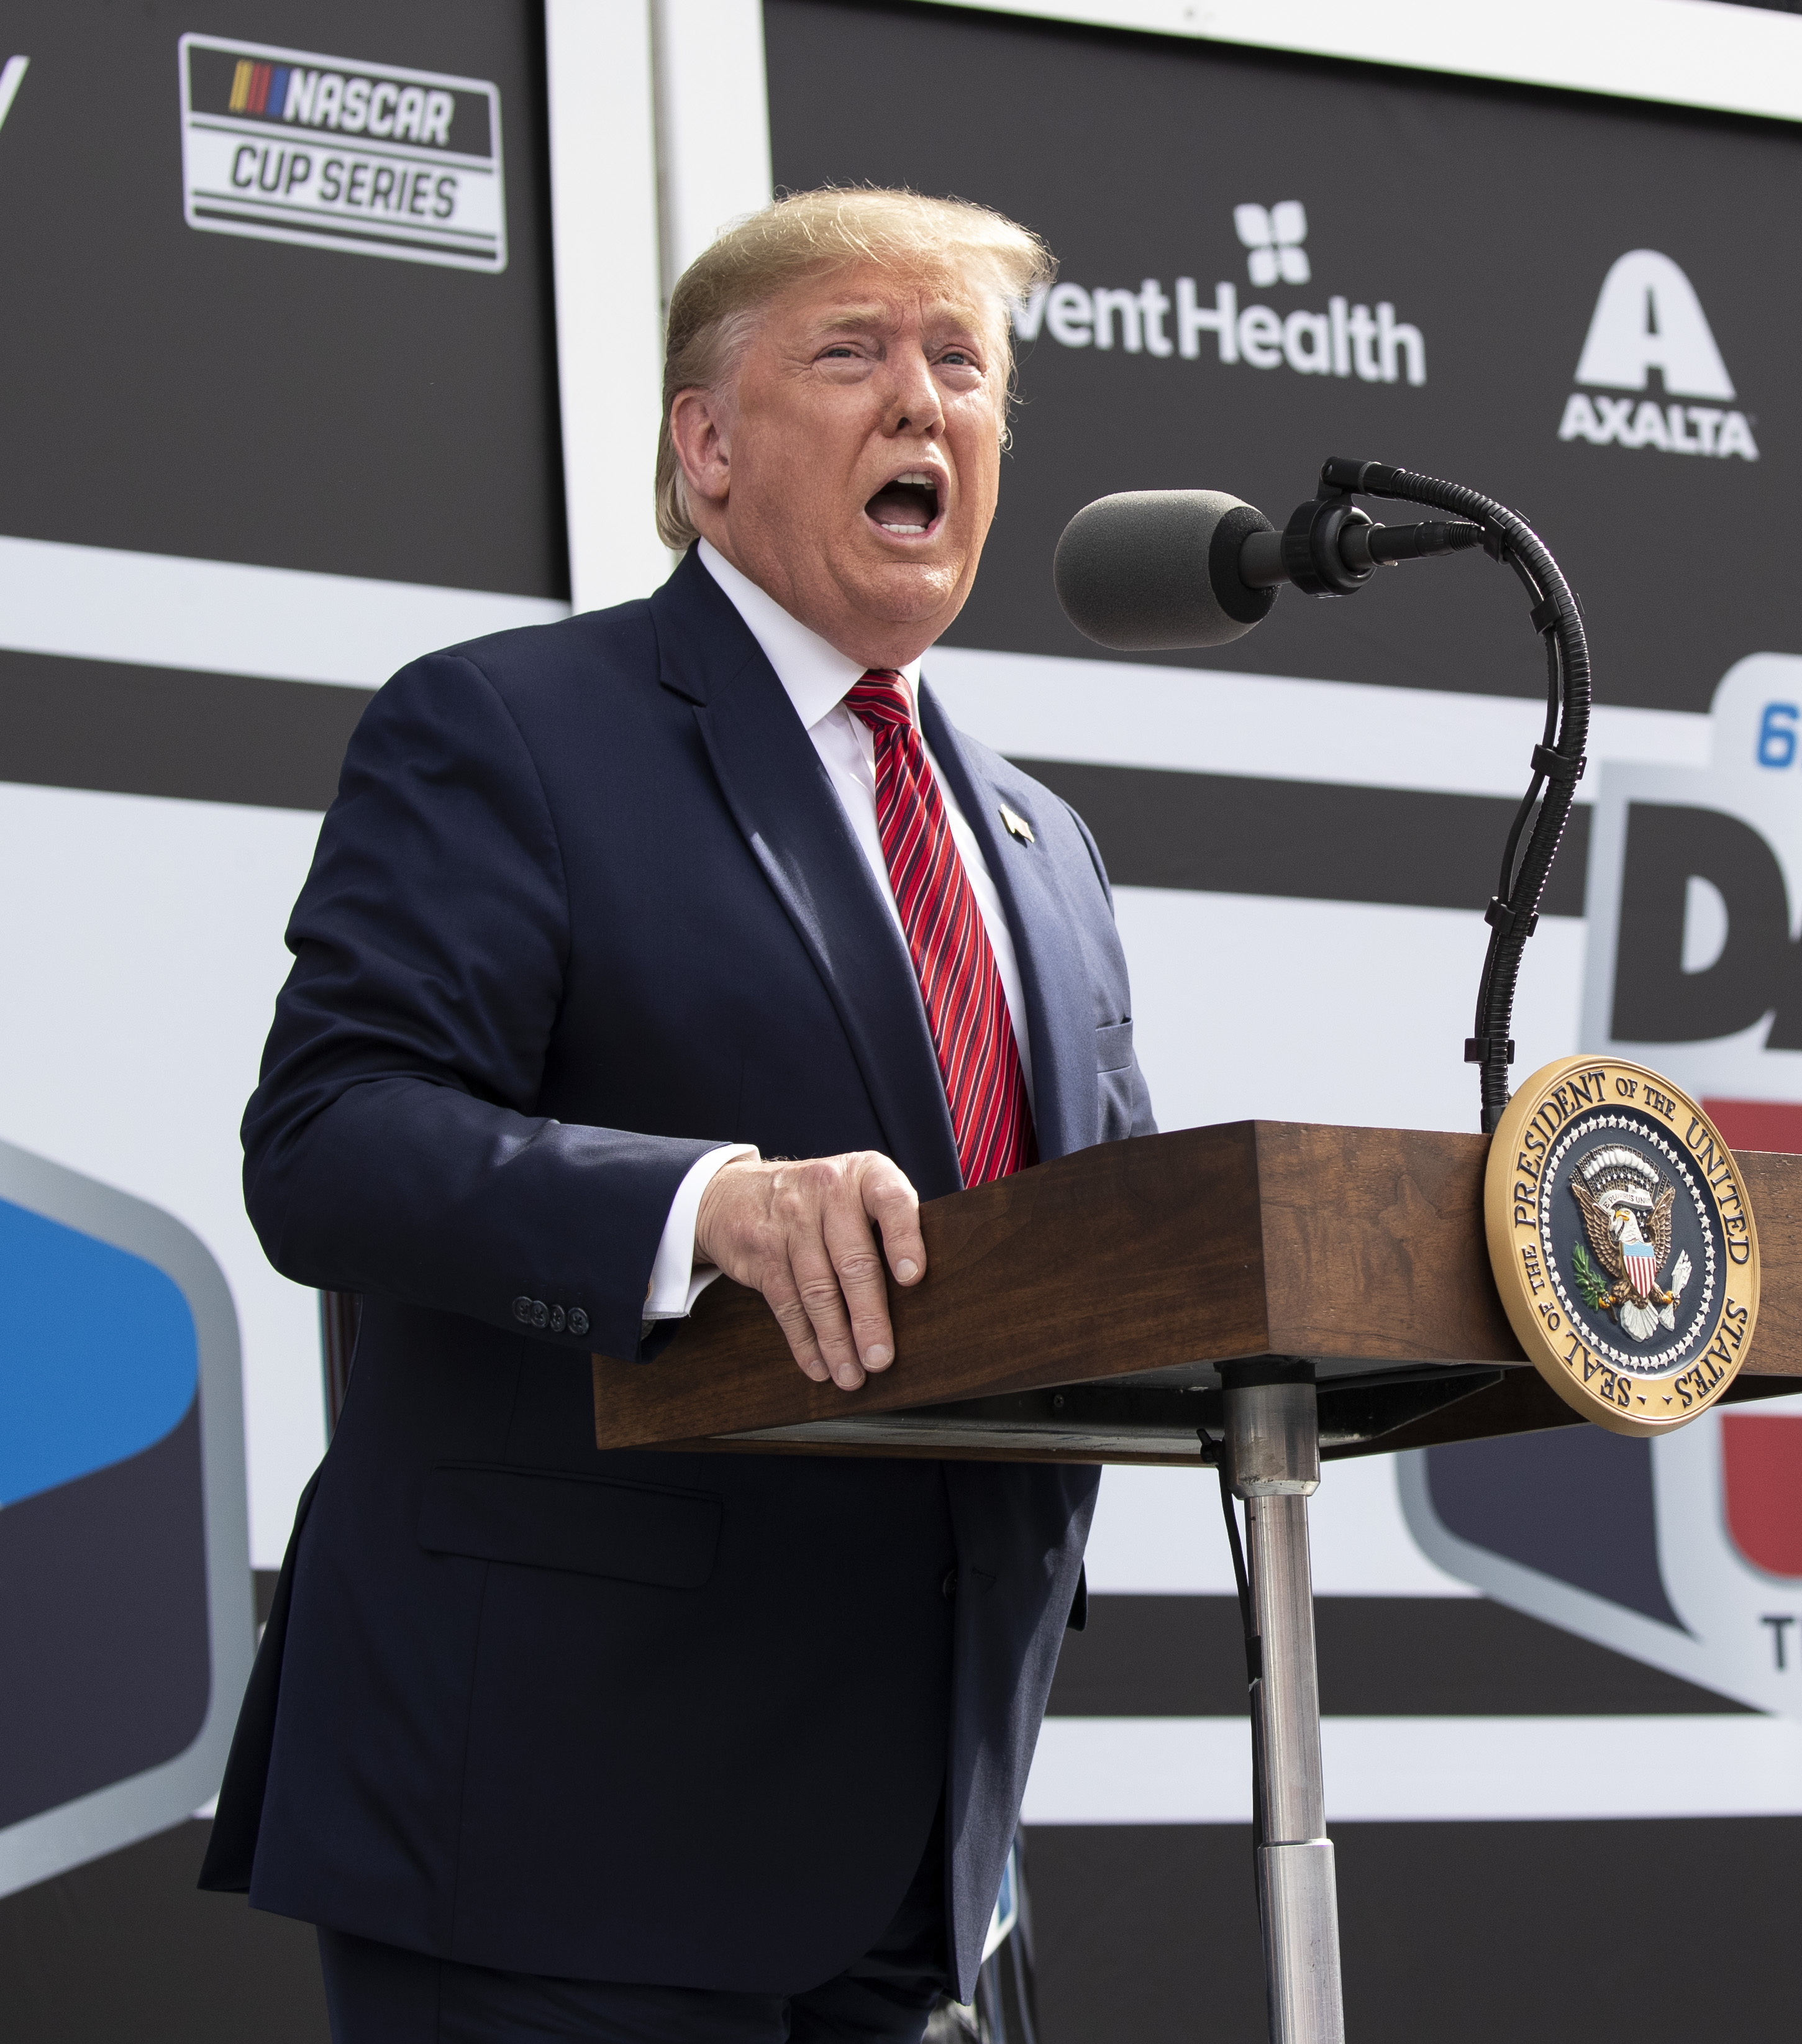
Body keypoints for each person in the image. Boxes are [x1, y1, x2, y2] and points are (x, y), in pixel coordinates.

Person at [202, 186, 1147, 2040]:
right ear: (705, 447)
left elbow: (1091, 1256)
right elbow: (332, 1141)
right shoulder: (512, 729)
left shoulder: (1043, 844)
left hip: (920, 1851)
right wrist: (704, 1205)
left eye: (965, 364)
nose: (925, 404)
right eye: (855, 352)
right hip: (562, 1822)